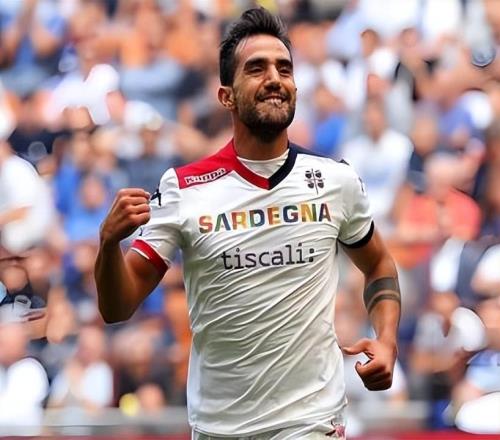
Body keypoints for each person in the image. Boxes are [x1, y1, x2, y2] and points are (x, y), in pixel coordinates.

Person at [95, 8, 401, 439]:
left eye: (284, 68)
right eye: (256, 68)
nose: (274, 78)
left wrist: (386, 339)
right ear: (226, 96)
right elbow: (117, 307)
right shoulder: (184, 188)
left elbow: (380, 264)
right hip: (220, 428)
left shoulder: (335, 180)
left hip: (311, 423)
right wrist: (109, 244)